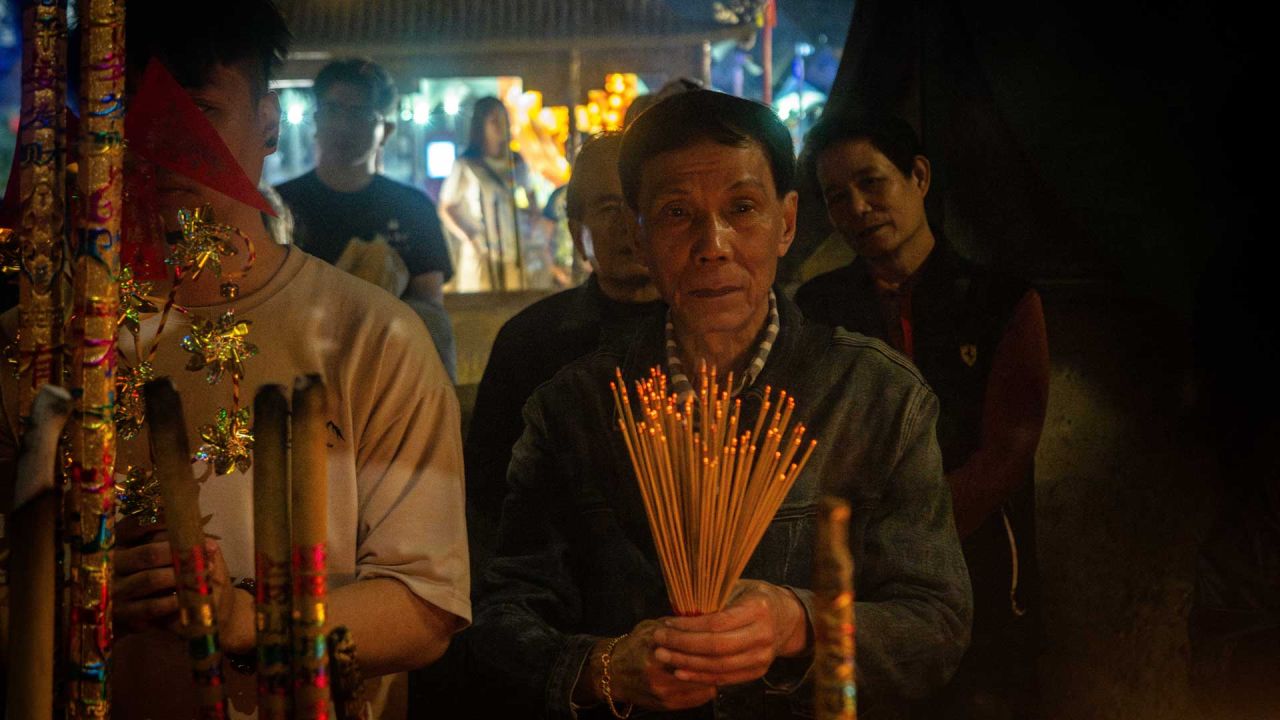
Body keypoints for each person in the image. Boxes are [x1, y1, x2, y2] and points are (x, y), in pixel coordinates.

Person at [0, 2, 470, 716]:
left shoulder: (372, 337)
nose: (157, 144)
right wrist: (72, 599)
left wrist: (249, 619)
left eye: (197, 112)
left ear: (270, 120)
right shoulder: (31, 349)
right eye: (117, 117)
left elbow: (426, 606)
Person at [467, 90, 971, 718]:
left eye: (742, 207)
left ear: (786, 223)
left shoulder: (875, 396)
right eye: (678, 212)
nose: (713, 244)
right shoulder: (576, 409)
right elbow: (501, 614)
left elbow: (935, 626)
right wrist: (604, 668)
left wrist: (796, 621)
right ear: (639, 231)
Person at [793, 114, 1050, 718]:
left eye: (871, 183)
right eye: (836, 197)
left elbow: (1007, 451)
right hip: (857, 589)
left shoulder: (1001, 301)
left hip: (981, 570)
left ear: (919, 176)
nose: (858, 207)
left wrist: (905, 542)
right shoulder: (820, 309)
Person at [465, 132, 663, 564]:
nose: (632, 225)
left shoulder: (713, 329)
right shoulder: (531, 340)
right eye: (610, 209)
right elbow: (488, 490)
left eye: (644, 205)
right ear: (578, 233)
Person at [275, 58, 457, 381]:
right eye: (333, 109)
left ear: (385, 129)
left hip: (390, 373)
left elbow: (429, 309)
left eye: (359, 112)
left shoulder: (413, 209)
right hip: (299, 373)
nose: (343, 124)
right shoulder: (281, 206)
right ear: (316, 119)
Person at [438, 96, 537, 292]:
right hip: (481, 255)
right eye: (493, 121)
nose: (500, 126)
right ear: (480, 125)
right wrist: (470, 236)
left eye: (503, 119)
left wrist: (528, 226)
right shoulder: (466, 164)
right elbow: (446, 207)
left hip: (514, 252)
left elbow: (531, 200)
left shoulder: (516, 162)